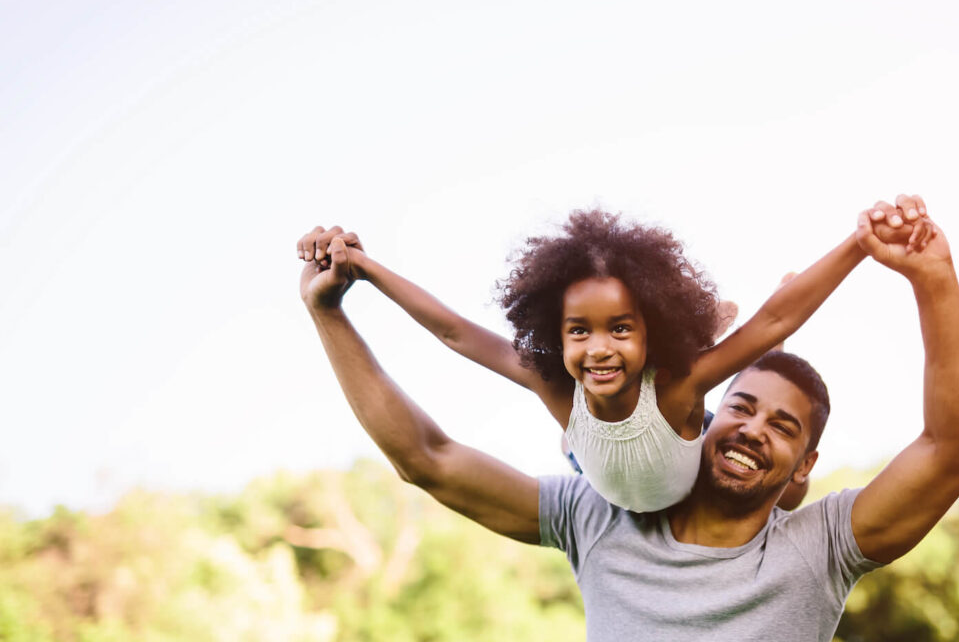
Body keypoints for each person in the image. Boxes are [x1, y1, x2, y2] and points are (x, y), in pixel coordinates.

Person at [297, 194, 959, 642]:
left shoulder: (819, 548)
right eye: (743, 408)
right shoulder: (596, 517)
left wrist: (932, 279)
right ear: (706, 419)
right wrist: (328, 313)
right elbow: (429, 458)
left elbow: (956, 446)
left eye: (784, 427)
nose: (754, 427)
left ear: (802, 471)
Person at [302, 208, 925, 512]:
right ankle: (713, 324)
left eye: (621, 329)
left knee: (782, 491)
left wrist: (857, 246)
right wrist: (366, 269)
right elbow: (456, 334)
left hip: (678, 444)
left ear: (651, 333)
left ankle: (710, 327)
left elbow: (777, 318)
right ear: (557, 331)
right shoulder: (556, 388)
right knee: (583, 435)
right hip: (591, 463)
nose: (599, 348)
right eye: (579, 331)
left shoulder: (677, 387)